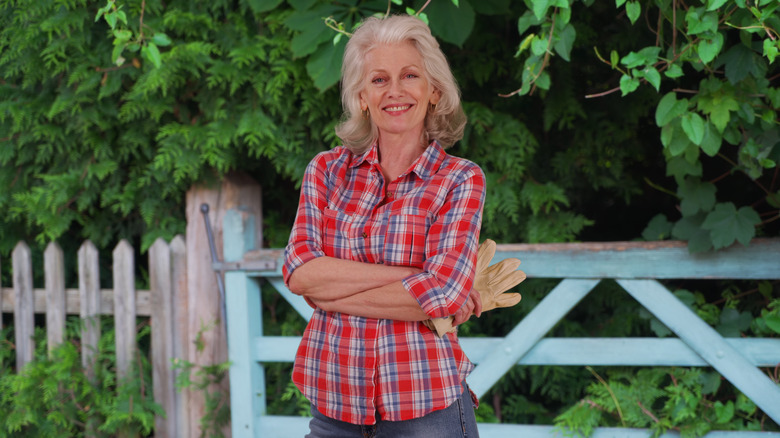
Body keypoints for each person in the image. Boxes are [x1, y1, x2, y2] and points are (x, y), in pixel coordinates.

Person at [282, 14, 485, 437]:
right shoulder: (326, 171)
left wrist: (329, 295)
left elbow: (445, 293)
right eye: (378, 79)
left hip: (425, 406)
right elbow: (301, 274)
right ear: (360, 96)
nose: (395, 91)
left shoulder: (460, 179)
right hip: (334, 405)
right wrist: (416, 280)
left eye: (410, 75)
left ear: (433, 91)